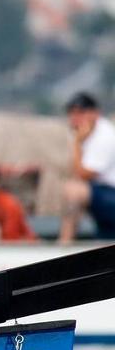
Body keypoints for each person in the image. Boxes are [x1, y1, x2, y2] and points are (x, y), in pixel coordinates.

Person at [60, 92, 115, 243]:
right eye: (72, 113)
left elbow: (83, 175)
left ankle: (64, 243)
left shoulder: (106, 136)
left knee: (74, 190)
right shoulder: (83, 134)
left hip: (110, 193)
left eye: (81, 112)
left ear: (95, 114)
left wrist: (77, 143)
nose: (75, 118)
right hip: (101, 196)